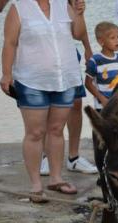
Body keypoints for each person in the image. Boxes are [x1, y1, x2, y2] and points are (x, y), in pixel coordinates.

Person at [0, 0, 87, 202]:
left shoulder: (63, 5)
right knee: (35, 132)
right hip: (31, 80)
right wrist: (6, 73)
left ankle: (56, 179)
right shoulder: (19, 8)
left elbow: (78, 34)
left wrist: (79, 14)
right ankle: (36, 185)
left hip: (64, 78)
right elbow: (10, 43)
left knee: (56, 130)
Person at [40, 38, 99, 175]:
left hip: (67, 50)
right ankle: (46, 156)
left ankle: (74, 158)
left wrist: (87, 47)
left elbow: (78, 27)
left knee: (75, 102)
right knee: (47, 103)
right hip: (42, 49)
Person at [85, 22, 118, 111]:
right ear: (101, 42)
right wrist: (102, 99)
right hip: (103, 107)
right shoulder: (95, 60)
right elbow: (88, 83)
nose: (117, 40)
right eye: (112, 38)